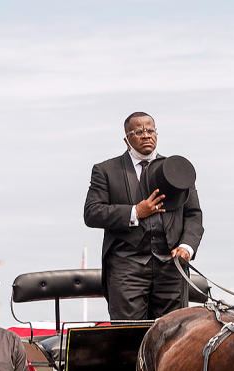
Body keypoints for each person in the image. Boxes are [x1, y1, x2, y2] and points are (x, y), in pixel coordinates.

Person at [84, 111, 204, 320]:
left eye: (150, 130)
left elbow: (193, 214)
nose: (146, 135)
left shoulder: (178, 169)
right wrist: (135, 212)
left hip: (171, 266)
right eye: (138, 131)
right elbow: (92, 213)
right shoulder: (106, 170)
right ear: (126, 139)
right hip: (127, 269)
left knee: (173, 334)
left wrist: (186, 246)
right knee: (128, 337)